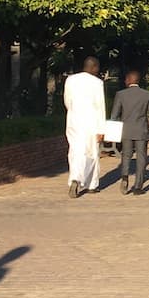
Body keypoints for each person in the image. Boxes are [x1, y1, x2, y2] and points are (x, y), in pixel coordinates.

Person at [110, 70, 149, 194]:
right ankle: (138, 186)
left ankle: (124, 177)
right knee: (141, 157)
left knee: (126, 155)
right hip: (141, 130)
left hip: (126, 130)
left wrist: (111, 132)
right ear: (138, 81)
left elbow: (114, 115)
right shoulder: (146, 94)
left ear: (128, 80)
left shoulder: (121, 94)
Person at [63, 56, 106, 198]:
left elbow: (67, 101)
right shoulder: (97, 83)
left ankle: (74, 178)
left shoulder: (70, 80)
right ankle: (91, 184)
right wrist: (101, 129)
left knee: (75, 150)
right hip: (91, 122)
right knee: (92, 153)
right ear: (94, 67)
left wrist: (73, 111)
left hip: (74, 120)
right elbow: (100, 106)